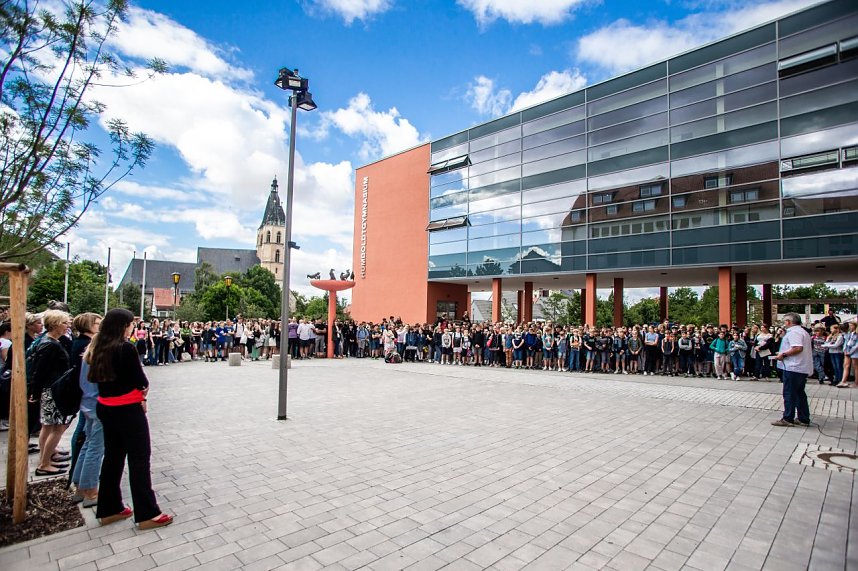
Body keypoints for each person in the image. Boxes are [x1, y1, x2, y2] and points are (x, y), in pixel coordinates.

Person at [87, 308, 173, 529]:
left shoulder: (98, 347)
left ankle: (109, 507)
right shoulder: (125, 348)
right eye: (131, 323)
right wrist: (143, 392)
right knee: (139, 459)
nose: (133, 327)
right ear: (123, 325)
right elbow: (140, 380)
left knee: (113, 457)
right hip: (127, 409)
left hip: (106, 407)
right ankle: (147, 512)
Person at [29, 309, 74, 476]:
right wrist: (34, 391)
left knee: (48, 426)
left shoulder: (51, 341)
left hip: (50, 388)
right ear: (55, 324)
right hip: (52, 390)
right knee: (55, 426)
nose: (67, 326)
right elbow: (39, 371)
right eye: (64, 323)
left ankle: (47, 456)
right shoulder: (50, 345)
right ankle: (44, 463)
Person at [69, 313, 102, 506]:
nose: (98, 326)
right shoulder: (90, 350)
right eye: (96, 323)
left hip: (88, 402)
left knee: (88, 444)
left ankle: (80, 485)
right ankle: (91, 491)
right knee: (95, 447)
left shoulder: (86, 350)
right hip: (97, 404)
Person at [771, 313, 812, 427]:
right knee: (799, 393)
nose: (784, 324)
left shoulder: (794, 332)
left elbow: (797, 347)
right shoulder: (803, 332)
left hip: (793, 367)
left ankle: (788, 418)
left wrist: (783, 354)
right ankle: (803, 418)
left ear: (789, 322)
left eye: (784, 321)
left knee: (789, 393)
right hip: (800, 367)